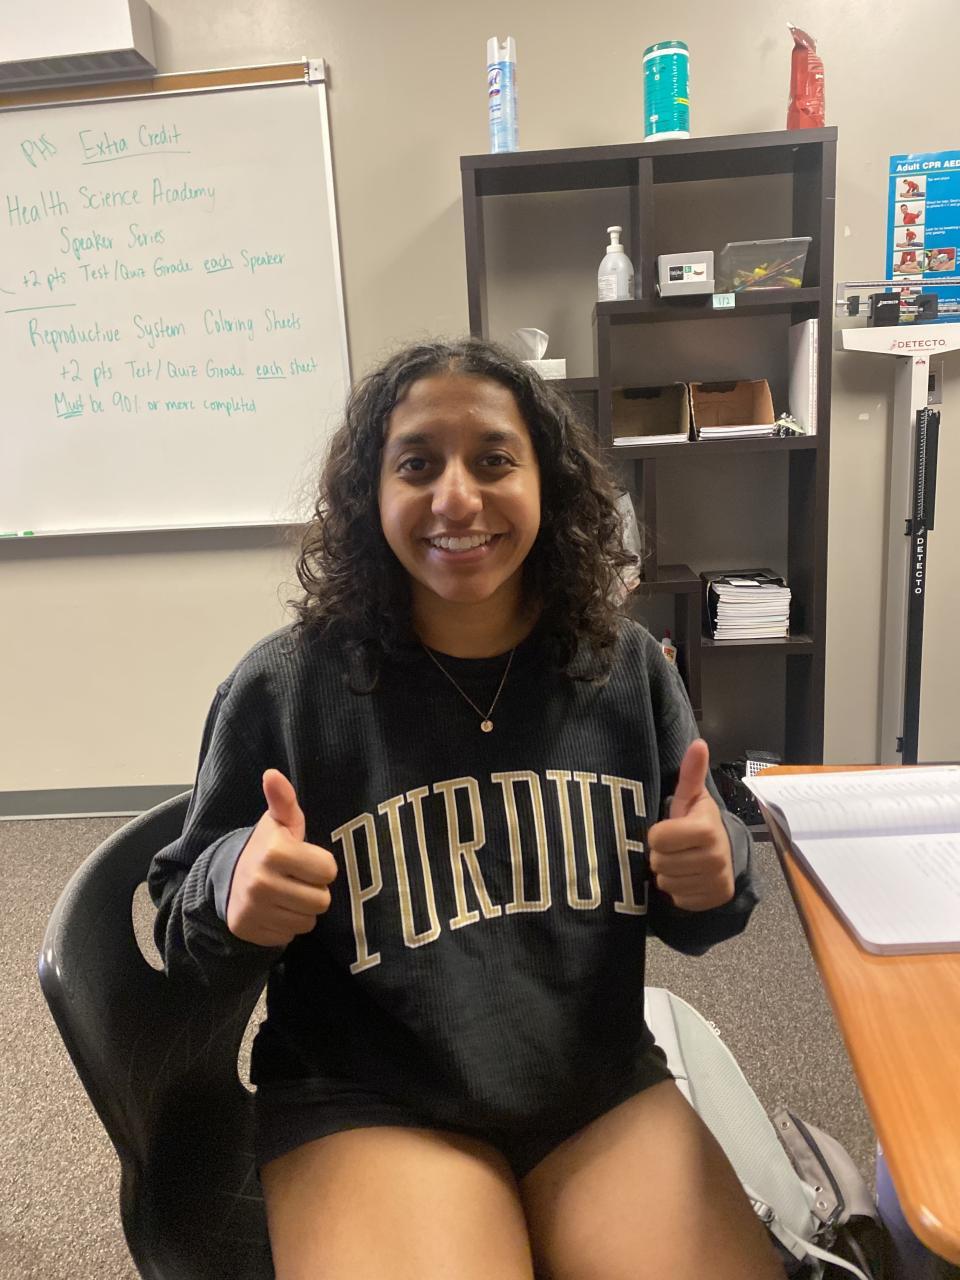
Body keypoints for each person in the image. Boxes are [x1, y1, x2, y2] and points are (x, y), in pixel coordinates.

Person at [149, 337, 783, 1280]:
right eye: (417, 465)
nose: (455, 498)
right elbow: (180, 927)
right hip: (368, 1101)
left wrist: (715, 867)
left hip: (593, 1087)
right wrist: (232, 885)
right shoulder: (285, 687)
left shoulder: (625, 671)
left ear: (547, 486)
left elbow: (698, 914)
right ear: (370, 496)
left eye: (493, 460)